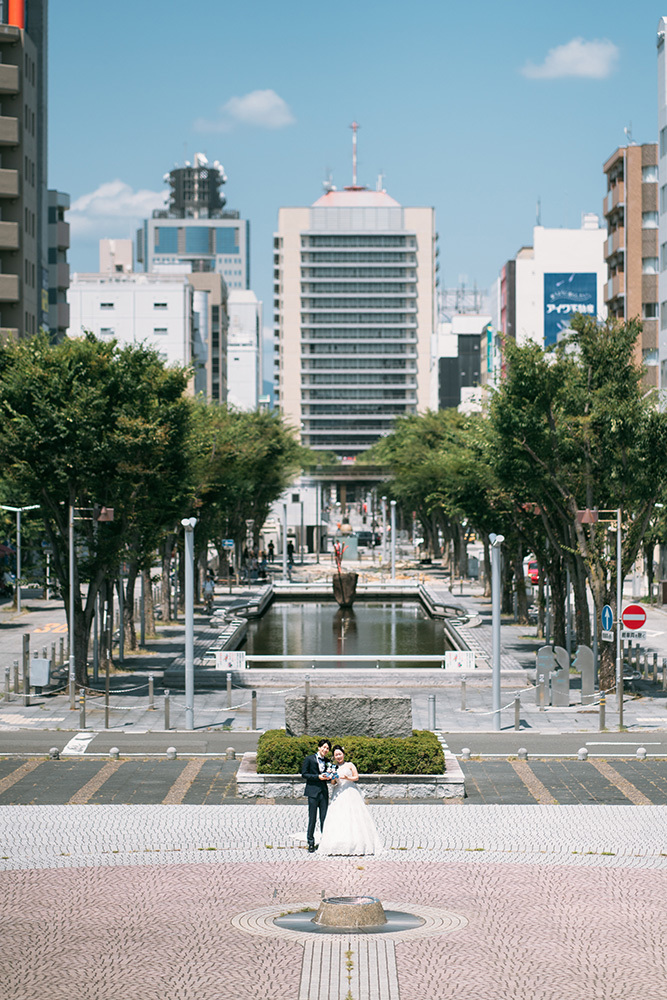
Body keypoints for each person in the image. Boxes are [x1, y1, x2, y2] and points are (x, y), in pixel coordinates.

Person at [318, 745, 382, 856]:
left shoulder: (350, 765)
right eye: (336, 755)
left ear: (343, 754)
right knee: (338, 816)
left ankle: (357, 843)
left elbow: (356, 777)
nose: (338, 756)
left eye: (340, 754)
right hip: (338, 791)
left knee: (354, 816)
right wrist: (333, 778)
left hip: (350, 791)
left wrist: (347, 778)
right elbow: (333, 783)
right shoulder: (333, 767)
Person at [301, 739, 333, 853]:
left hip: (323, 792)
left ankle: (325, 842)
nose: (325, 750)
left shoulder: (328, 761)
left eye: (327, 748)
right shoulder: (309, 759)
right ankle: (310, 842)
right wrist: (317, 777)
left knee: (324, 818)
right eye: (324, 747)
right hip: (313, 792)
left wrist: (330, 777)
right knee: (312, 818)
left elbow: (330, 773)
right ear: (319, 747)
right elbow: (304, 774)